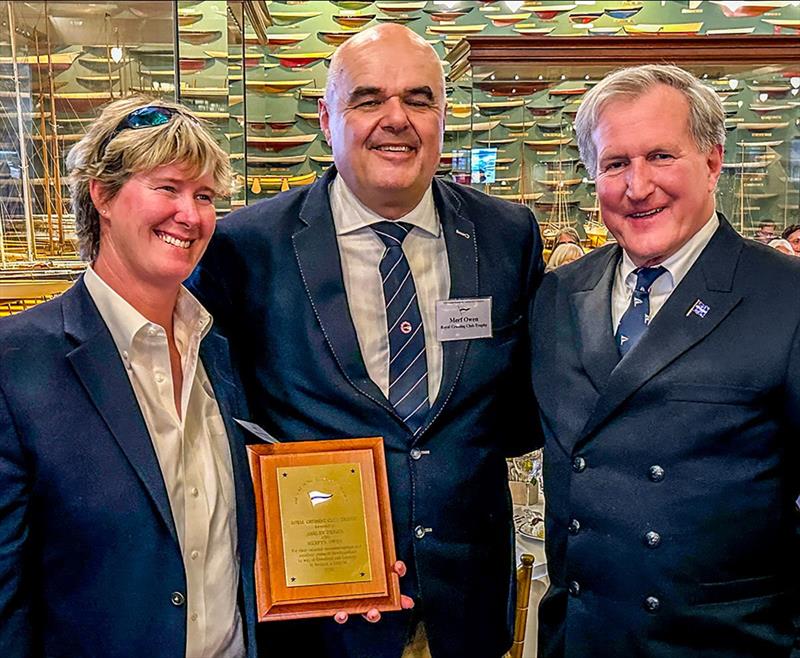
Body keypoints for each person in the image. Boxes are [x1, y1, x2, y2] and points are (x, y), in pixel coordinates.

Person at [188, 23, 543, 658]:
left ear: (444, 115)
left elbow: (520, 406)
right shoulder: (245, 248)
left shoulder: (508, 235)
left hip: (470, 603)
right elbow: (217, 424)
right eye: (369, 98)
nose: (396, 119)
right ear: (327, 118)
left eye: (419, 99)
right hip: (321, 616)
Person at [531, 64, 800, 657]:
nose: (638, 185)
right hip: (583, 639)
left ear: (712, 162)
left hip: (725, 644)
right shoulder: (558, 295)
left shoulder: (786, 296)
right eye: (615, 164)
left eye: (660, 156)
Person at [0, 98, 260, 657]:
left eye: (205, 195)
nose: (190, 214)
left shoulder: (219, 351)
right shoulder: (16, 362)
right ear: (102, 195)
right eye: (167, 187)